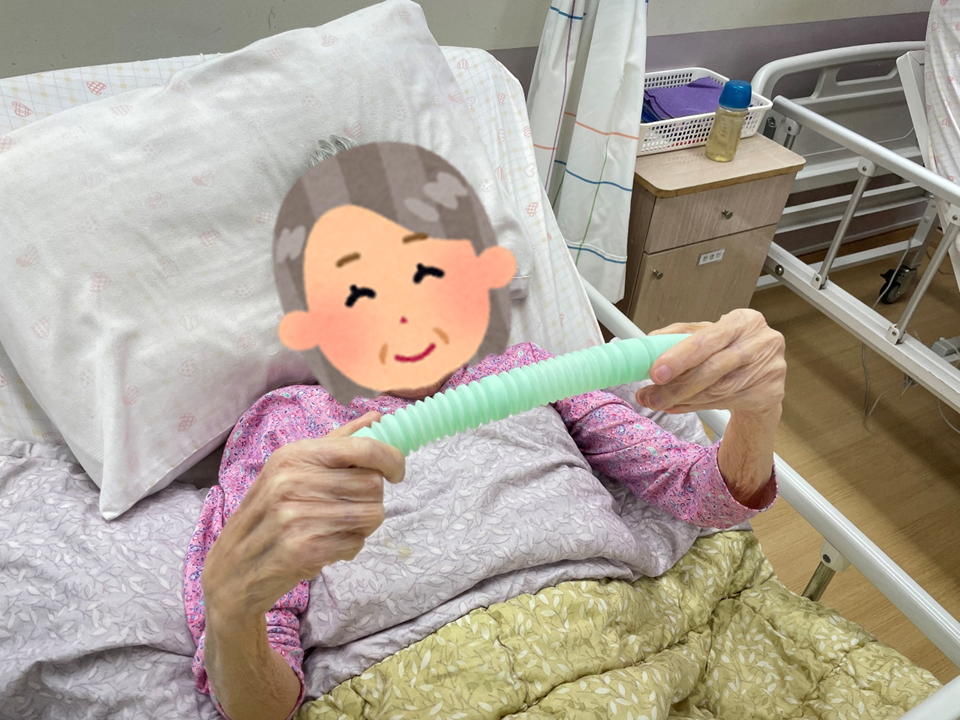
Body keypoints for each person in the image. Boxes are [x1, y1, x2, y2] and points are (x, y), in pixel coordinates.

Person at [183, 138, 787, 720]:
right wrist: (230, 608)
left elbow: (703, 497)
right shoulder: (291, 423)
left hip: (622, 637)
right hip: (421, 677)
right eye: (359, 288)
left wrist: (756, 414)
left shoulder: (530, 372)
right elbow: (258, 701)